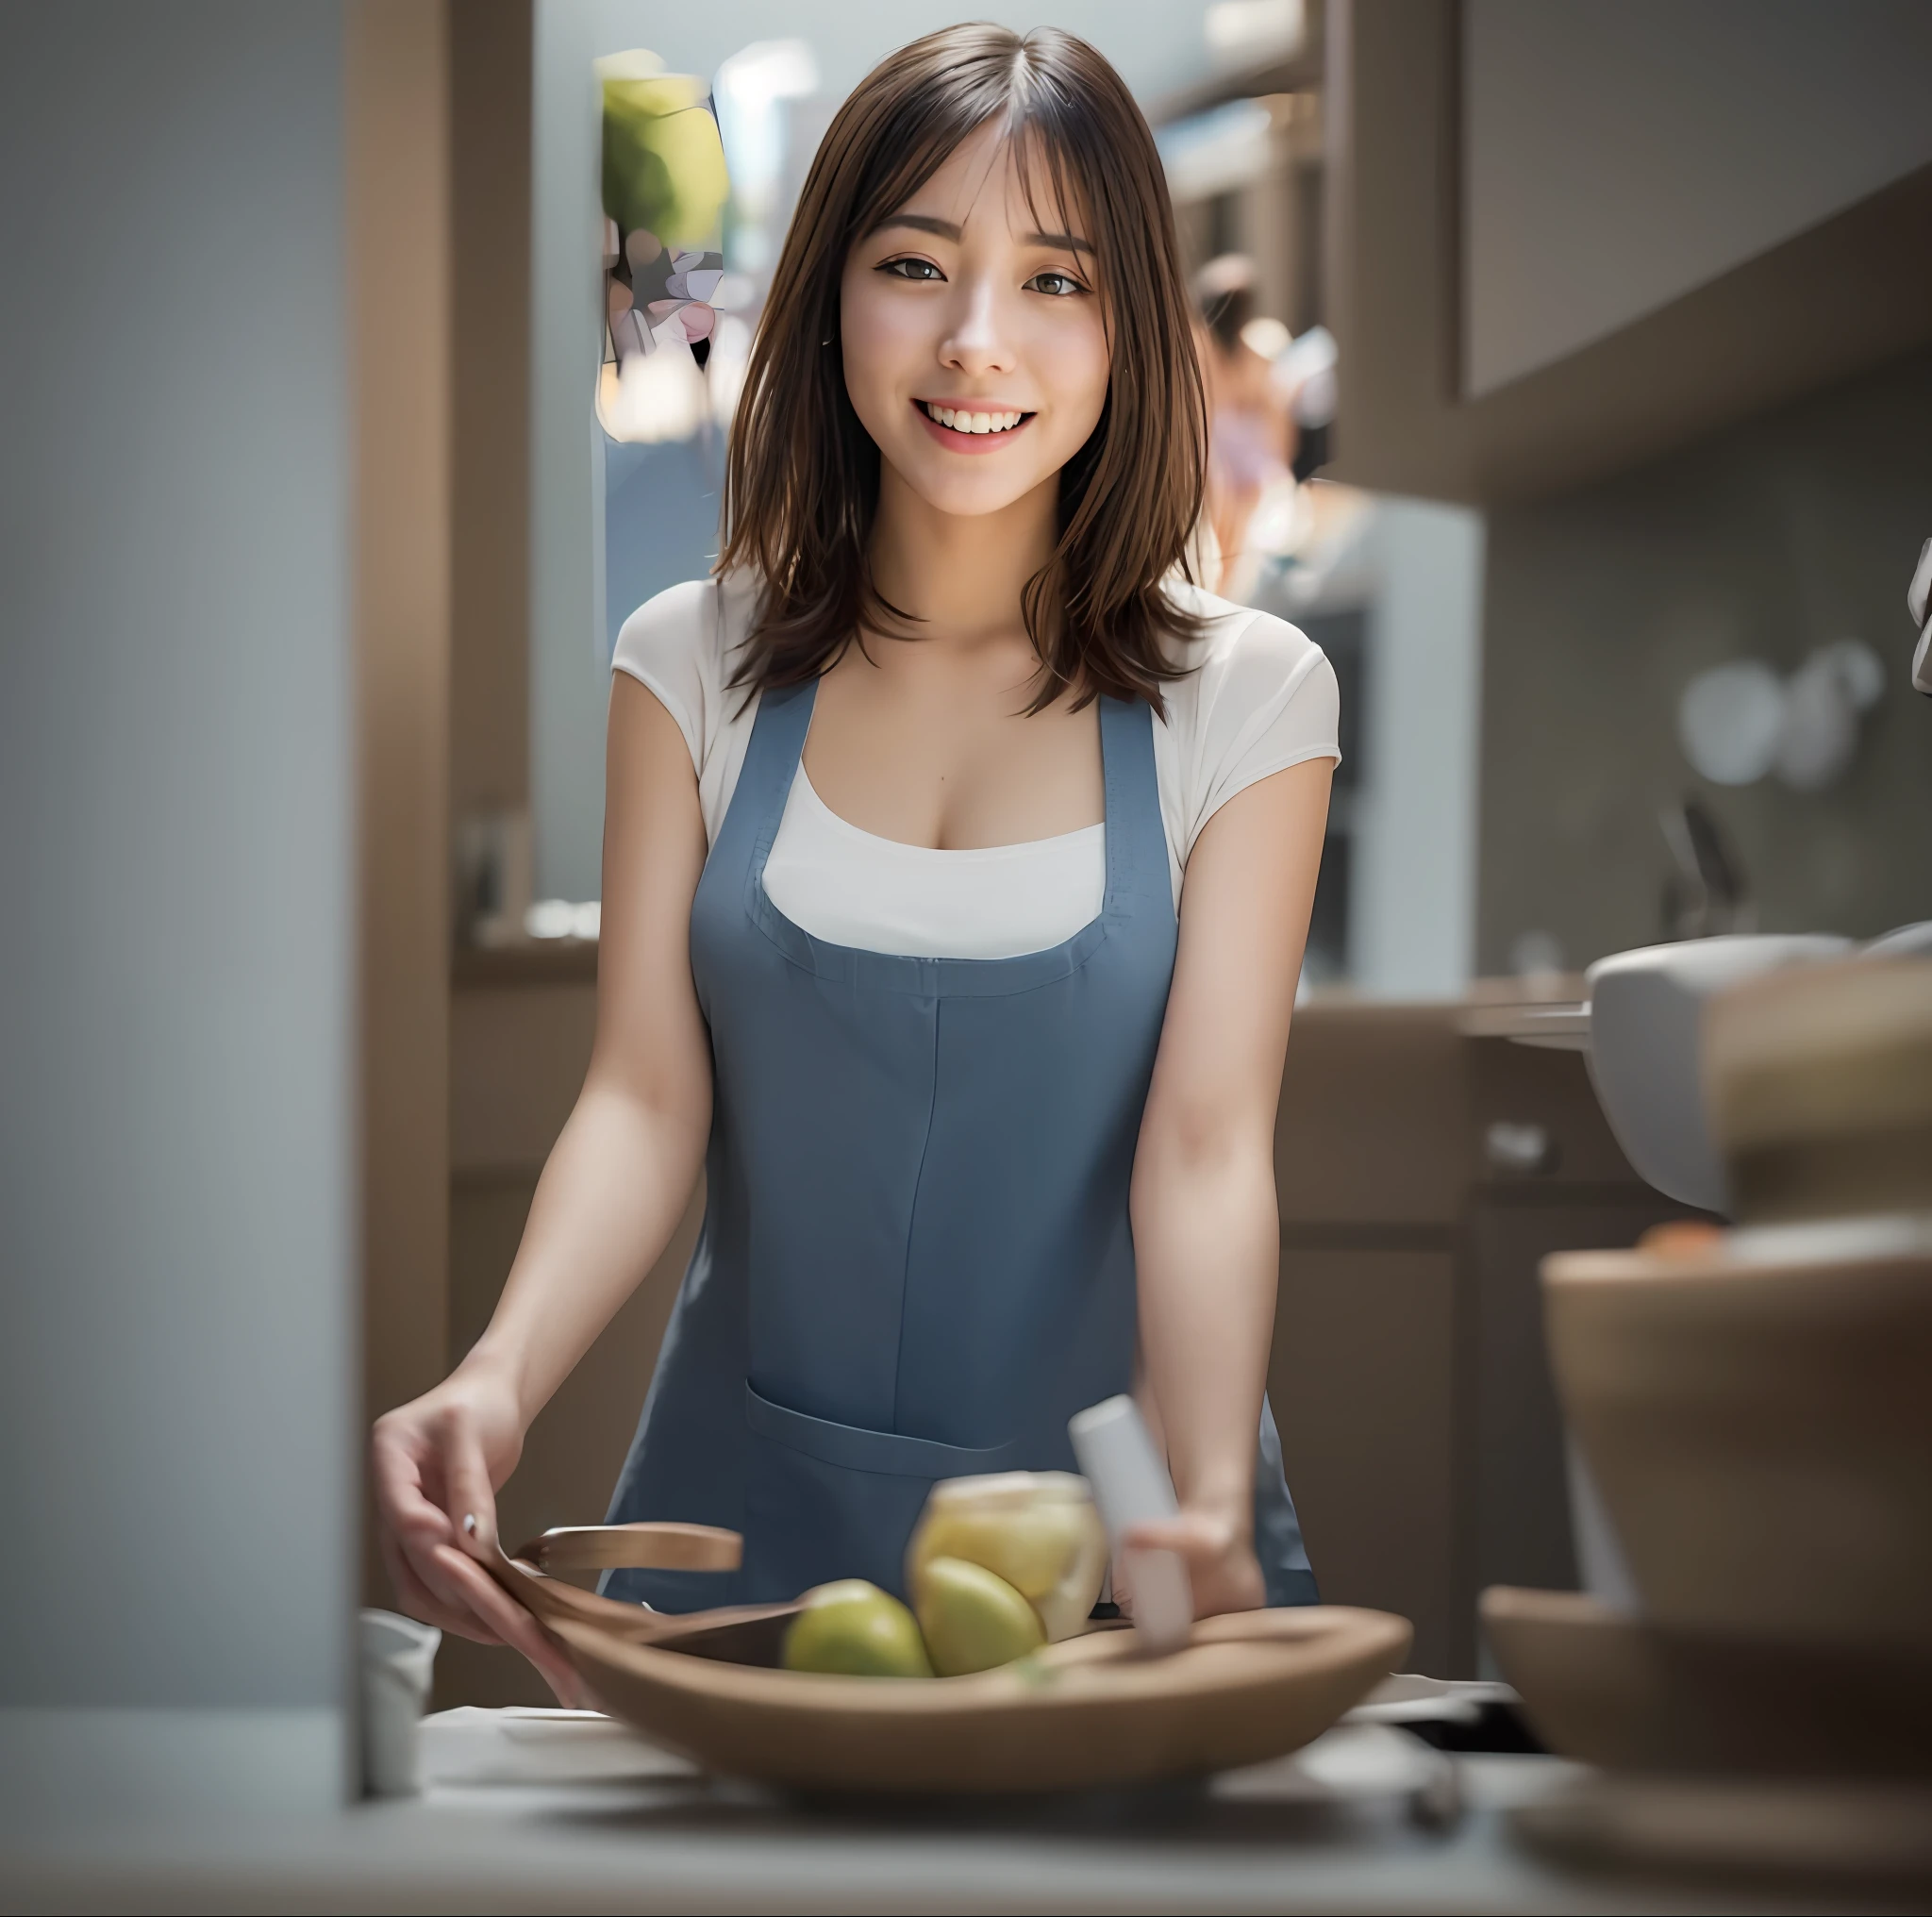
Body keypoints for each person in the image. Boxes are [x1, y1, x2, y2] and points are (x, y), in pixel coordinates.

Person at [373, 24, 1339, 1703]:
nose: (977, 343)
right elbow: (643, 1099)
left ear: (1129, 332)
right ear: (830, 293)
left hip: (1112, 1561)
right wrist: (495, 1378)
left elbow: (1202, 1151)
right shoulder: (689, 662)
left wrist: (1194, 1502)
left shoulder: (1247, 698)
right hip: (740, 1543)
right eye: (916, 264)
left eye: (1056, 280)